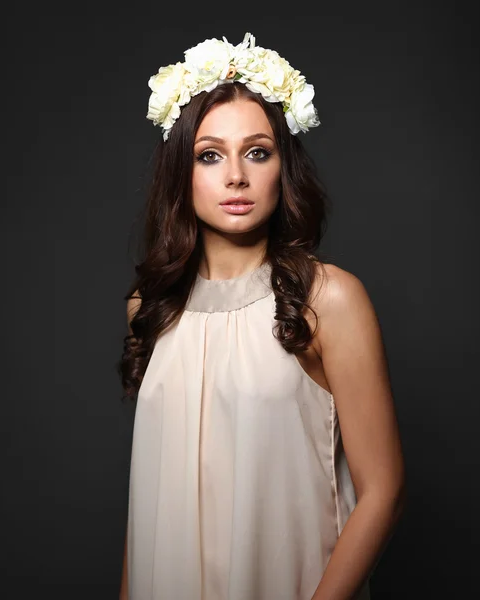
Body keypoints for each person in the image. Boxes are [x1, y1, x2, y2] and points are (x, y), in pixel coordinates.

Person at [117, 32, 406, 600]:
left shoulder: (330, 299)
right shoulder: (150, 307)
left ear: (283, 165)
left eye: (257, 151)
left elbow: (384, 490)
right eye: (209, 155)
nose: (235, 177)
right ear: (182, 172)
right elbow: (147, 503)